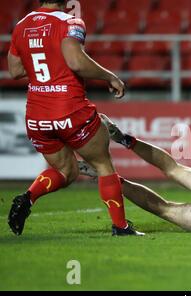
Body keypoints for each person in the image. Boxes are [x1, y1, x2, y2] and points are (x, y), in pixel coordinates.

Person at [7, 0, 143, 236]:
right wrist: (109, 76)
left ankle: (28, 198)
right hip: (69, 109)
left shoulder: (22, 24)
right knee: (102, 165)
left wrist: (45, 61)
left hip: (37, 115)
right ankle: (121, 227)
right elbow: (75, 61)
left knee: (65, 171)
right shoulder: (69, 21)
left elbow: (15, 70)